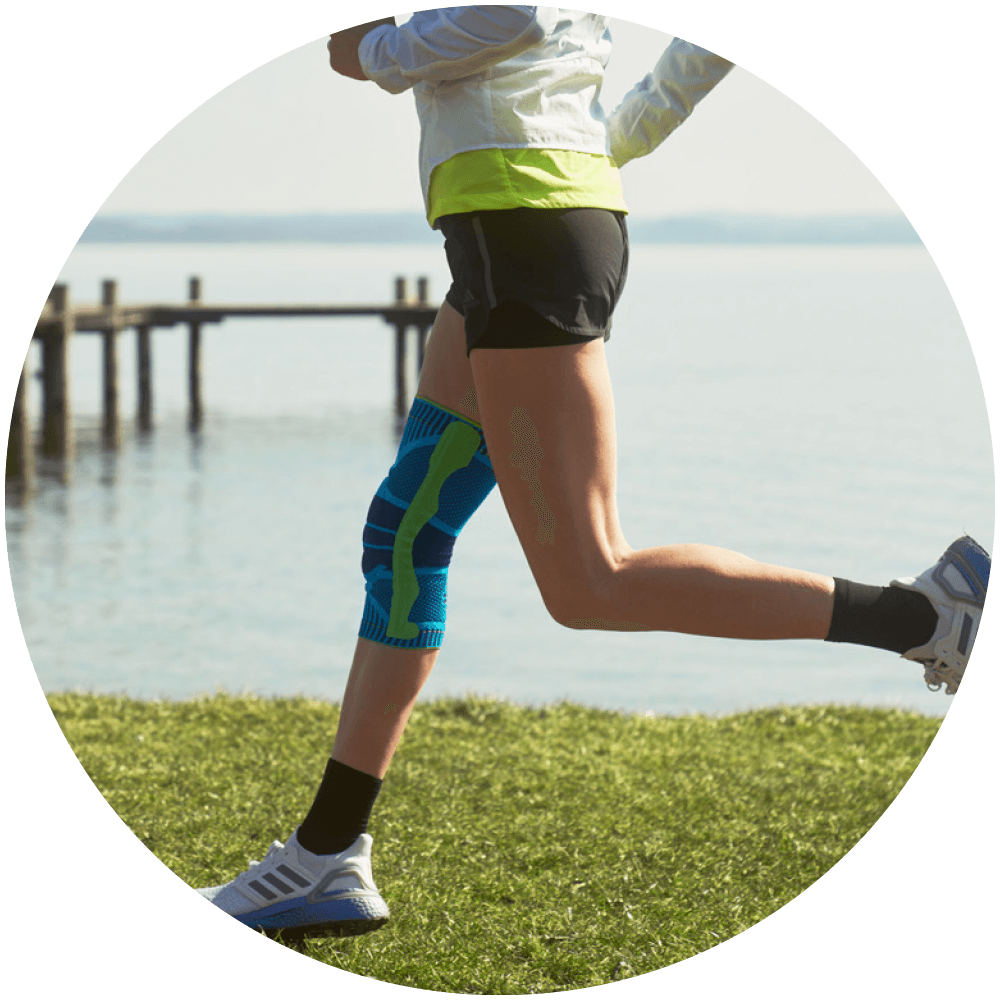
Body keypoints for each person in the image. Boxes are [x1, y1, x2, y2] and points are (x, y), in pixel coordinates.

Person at [197, 10, 989, 939]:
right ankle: (327, 856)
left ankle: (928, 616)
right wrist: (590, 143)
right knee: (407, 531)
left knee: (589, 580)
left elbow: (511, 16)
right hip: (515, 226)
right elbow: (584, 69)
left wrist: (375, 54)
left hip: (524, 230)